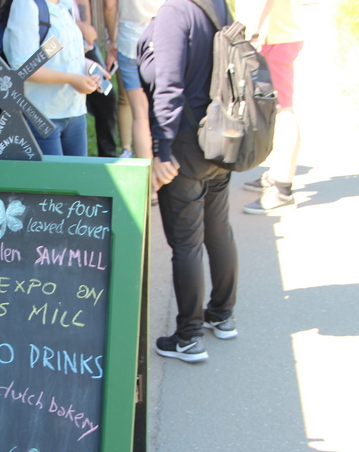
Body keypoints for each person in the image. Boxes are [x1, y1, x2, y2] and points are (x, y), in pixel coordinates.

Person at [138, 0, 238, 363]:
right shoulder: (217, 5)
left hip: (185, 144)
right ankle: (222, 315)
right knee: (218, 230)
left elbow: (168, 86)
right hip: (222, 137)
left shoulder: (175, 13)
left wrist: (161, 150)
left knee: (187, 243)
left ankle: (189, 337)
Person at [4, 0, 101, 156]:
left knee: (77, 172)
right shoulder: (26, 4)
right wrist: (71, 79)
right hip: (42, 115)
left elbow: (62, 54)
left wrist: (89, 66)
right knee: (54, 173)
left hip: (75, 110)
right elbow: (23, 66)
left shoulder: (64, 5)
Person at [238, 0, 303, 214]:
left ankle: (282, 188)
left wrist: (253, 31)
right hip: (275, 34)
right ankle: (276, 175)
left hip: (274, 37)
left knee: (282, 109)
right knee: (276, 109)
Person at [103, 0, 164, 162]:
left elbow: (109, 6)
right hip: (162, 41)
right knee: (165, 107)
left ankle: (147, 172)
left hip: (129, 42)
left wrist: (112, 40)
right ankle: (164, 165)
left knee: (140, 114)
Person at [74, 0, 119, 158]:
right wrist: (81, 26)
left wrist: (86, 36)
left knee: (106, 94)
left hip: (83, 45)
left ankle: (108, 157)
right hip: (58, 46)